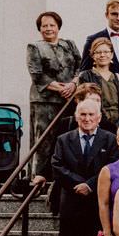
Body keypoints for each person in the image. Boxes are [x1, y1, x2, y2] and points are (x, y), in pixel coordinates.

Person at [51, 100, 119, 236]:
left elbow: (111, 165)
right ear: (76, 116)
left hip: (97, 207)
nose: (87, 118)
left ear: (99, 117)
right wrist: (76, 184)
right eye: (83, 114)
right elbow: (57, 165)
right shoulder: (63, 139)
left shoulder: (109, 139)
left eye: (91, 114)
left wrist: (90, 184)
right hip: (71, 206)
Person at [27, 10, 82, 177]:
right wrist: (61, 88)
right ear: (39, 28)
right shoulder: (35, 47)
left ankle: (59, 177)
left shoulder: (69, 44)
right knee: (43, 141)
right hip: (45, 101)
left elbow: (81, 67)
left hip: (69, 101)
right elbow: (37, 74)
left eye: (52, 25)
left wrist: (73, 84)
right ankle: (38, 178)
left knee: (65, 139)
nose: (48, 28)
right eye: (44, 26)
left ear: (58, 27)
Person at [77, 37, 119, 130]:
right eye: (98, 52)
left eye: (106, 52)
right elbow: (85, 103)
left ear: (111, 55)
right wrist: (107, 125)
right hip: (96, 124)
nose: (102, 55)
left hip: (118, 126)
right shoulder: (86, 76)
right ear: (93, 56)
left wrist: (118, 125)